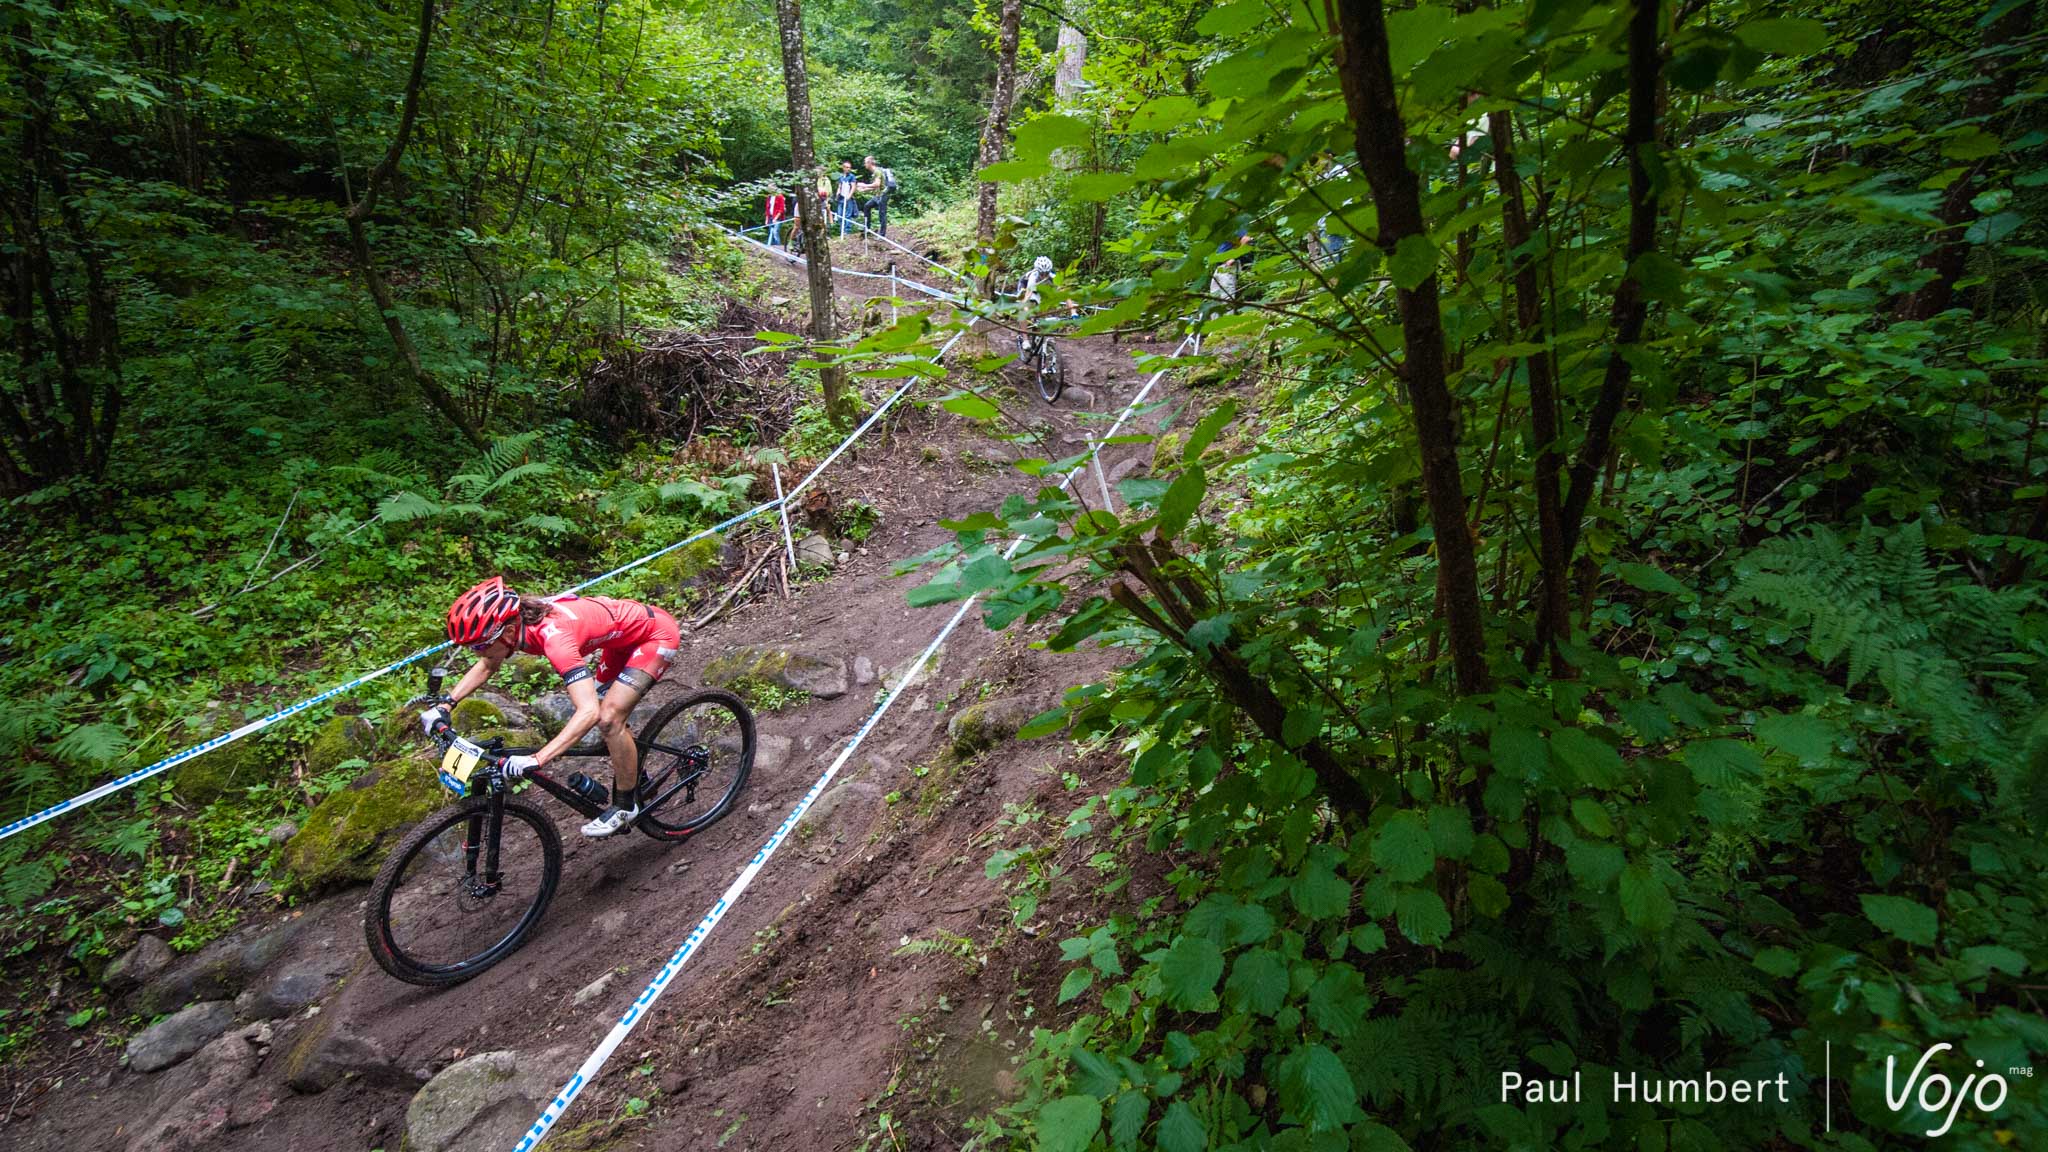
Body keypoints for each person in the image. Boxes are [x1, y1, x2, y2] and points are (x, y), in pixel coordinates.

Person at [429, 576, 682, 838]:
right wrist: (445, 705)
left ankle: (625, 805)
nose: (478, 653)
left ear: (507, 630)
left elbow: (588, 711)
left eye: (480, 645)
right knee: (605, 714)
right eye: (472, 647)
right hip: (619, 642)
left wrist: (538, 758)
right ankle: (635, 773)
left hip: (655, 636)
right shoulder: (516, 628)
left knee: (608, 719)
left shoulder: (555, 639)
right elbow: (488, 664)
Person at [855, 155, 894, 237]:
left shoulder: (877, 172)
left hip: (883, 195)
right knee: (867, 206)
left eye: (865, 163)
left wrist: (864, 185)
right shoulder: (875, 173)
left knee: (882, 214)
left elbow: (877, 184)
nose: (864, 164)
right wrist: (865, 190)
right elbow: (877, 187)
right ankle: (867, 228)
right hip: (878, 195)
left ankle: (882, 235)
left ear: (869, 163)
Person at [836, 161, 858, 236]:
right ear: (843, 167)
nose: (848, 169)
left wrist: (849, 196)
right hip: (841, 197)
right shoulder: (841, 177)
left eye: (849, 167)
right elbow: (840, 186)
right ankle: (842, 230)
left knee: (848, 215)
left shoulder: (851, 176)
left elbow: (853, 187)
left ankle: (847, 231)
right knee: (839, 214)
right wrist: (837, 193)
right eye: (847, 167)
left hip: (848, 198)